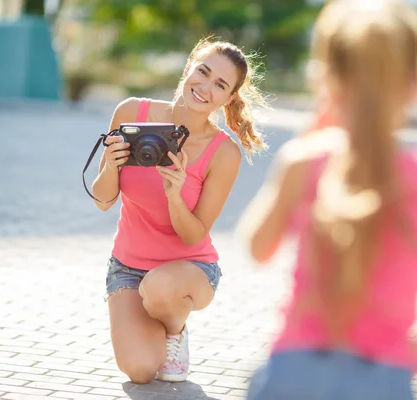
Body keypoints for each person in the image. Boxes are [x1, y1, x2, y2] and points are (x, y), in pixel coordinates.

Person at [239, 1, 417, 399]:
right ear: (415, 85)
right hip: (385, 378)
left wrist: (306, 141)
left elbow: (257, 248)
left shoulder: (305, 161)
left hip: (294, 372)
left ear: (327, 81)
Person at [91, 38, 267, 384]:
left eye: (220, 85)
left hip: (190, 270)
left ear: (229, 98)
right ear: (189, 67)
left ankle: (175, 329)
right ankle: (153, 324)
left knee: (159, 288)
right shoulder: (131, 113)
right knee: (141, 370)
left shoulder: (223, 152)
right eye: (203, 72)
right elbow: (102, 200)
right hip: (128, 268)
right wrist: (111, 166)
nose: (205, 87)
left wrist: (175, 194)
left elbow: (193, 234)